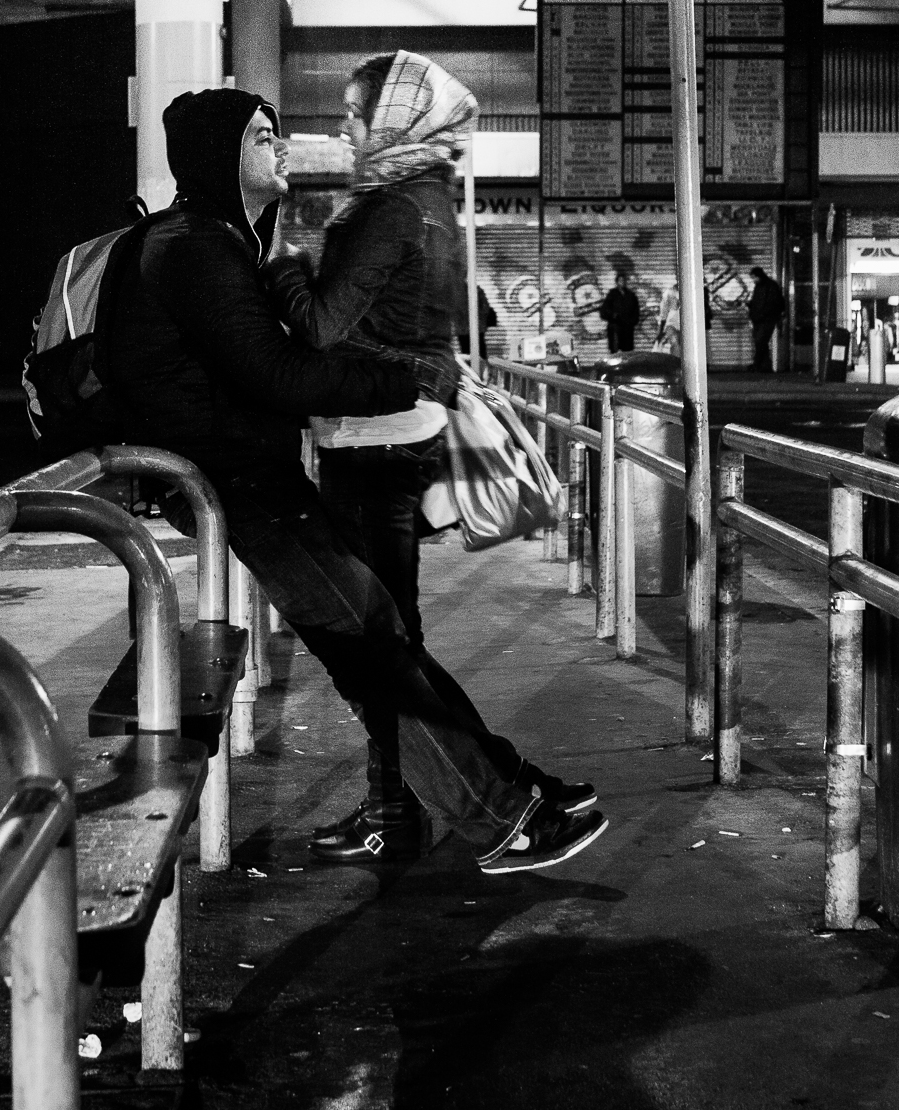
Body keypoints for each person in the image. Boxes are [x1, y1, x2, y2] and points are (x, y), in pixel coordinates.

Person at [107, 86, 608, 875]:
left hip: (252, 478)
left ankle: (508, 784)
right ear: (216, 154)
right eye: (261, 135)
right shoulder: (195, 246)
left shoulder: (223, 240)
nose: (280, 146)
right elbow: (278, 374)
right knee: (372, 650)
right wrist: (403, 382)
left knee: (381, 637)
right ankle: (497, 818)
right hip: (235, 485)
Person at [268, 52, 597, 863]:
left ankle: (451, 802)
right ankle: (446, 794)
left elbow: (320, 326)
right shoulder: (428, 199)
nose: (345, 127)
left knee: (379, 648)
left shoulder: (392, 207)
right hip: (395, 435)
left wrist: (279, 269)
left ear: (396, 119)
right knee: (390, 642)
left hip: (374, 441)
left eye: (355, 113)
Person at [747, 265, 785, 373]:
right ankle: (765, 366)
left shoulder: (771, 286)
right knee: (761, 342)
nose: (754, 280)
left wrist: (762, 313)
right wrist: (750, 306)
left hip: (767, 319)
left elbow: (773, 303)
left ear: (759, 276)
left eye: (754, 277)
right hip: (758, 318)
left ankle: (757, 364)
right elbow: (757, 302)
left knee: (760, 341)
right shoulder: (759, 286)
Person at [599, 271, 640, 353]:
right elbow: (604, 310)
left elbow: (636, 310)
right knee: (614, 352)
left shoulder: (631, 295)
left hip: (627, 328)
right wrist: (613, 315)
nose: (622, 282)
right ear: (616, 282)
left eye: (624, 280)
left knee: (627, 352)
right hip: (615, 327)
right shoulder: (612, 294)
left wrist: (632, 321)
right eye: (620, 280)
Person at [457, 284, 498, 365]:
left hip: (463, 329)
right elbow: (485, 308)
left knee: (466, 354)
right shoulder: (477, 290)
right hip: (477, 328)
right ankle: (481, 374)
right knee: (480, 353)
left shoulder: (457, 291)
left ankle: (470, 373)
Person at [655, 284, 681, 356]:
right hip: (671, 324)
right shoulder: (669, 292)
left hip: (686, 325)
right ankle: (677, 363)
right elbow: (664, 312)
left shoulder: (691, 292)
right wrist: (660, 330)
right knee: (674, 342)